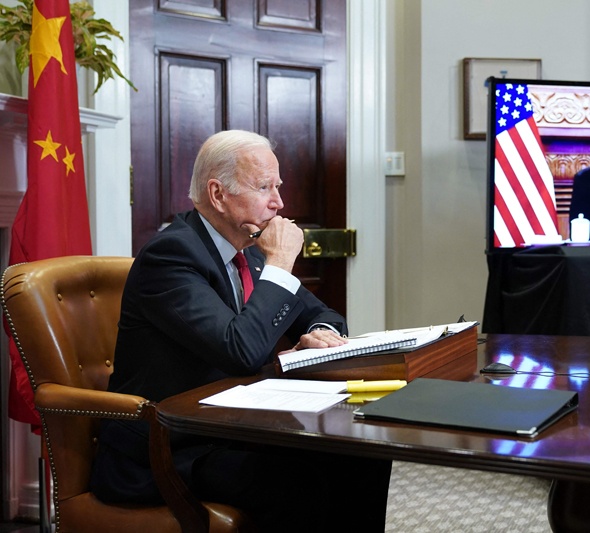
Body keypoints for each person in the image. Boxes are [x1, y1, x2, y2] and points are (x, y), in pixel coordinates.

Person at [90, 130, 392, 530]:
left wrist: (319, 332)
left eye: (278, 187)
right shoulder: (171, 256)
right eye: (263, 187)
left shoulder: (247, 250)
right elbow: (240, 351)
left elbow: (327, 317)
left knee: (363, 455)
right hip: (168, 447)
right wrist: (282, 262)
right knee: (297, 484)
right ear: (218, 194)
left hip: (233, 430)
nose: (279, 203)